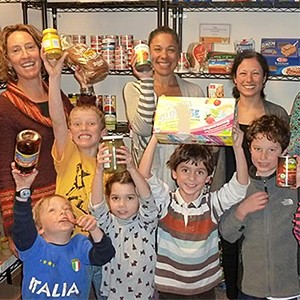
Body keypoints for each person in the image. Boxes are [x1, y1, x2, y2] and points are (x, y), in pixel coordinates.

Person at [0, 24, 93, 255]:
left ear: (42, 52)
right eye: (16, 50)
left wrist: (85, 88)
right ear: (8, 61)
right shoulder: (5, 107)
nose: (25, 56)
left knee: (72, 269)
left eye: (30, 47)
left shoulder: (56, 94)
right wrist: (14, 228)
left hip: (67, 198)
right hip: (36, 208)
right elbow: (3, 169)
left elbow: (76, 133)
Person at [138, 123, 249, 299]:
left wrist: (238, 148)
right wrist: (155, 137)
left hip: (204, 287)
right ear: (174, 173)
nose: (191, 177)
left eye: (199, 172)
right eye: (185, 170)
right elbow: (143, 175)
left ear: (208, 178)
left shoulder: (212, 204)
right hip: (170, 288)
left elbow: (241, 185)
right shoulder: (166, 201)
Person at [222, 50, 290, 299]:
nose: (249, 79)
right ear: (234, 78)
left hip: (267, 187)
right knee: (230, 246)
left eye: (255, 73)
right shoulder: (222, 111)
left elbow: (287, 156)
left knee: (264, 242)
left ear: (264, 78)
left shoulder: (278, 113)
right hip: (229, 183)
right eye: (242, 73)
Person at [41, 47, 106, 298]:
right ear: (70, 132)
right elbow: (57, 119)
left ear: (102, 132)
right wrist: (54, 78)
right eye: (77, 124)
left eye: (91, 124)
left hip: (98, 241)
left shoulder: (109, 161)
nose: (83, 128)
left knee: (105, 291)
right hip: (66, 243)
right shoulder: (66, 152)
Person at [219, 115, 300, 299]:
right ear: (250, 148)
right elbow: (227, 234)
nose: (263, 157)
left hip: (289, 287)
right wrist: (242, 210)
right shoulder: (241, 184)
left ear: (284, 150)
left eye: (272, 150)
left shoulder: (293, 181)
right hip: (251, 287)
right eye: (257, 149)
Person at [11, 163, 115, 300]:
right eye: (52, 210)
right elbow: (22, 224)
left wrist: (94, 229)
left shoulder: (80, 244)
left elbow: (105, 255)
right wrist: (23, 190)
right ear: (39, 228)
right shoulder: (33, 247)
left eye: (67, 209)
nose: (62, 212)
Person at [123, 25, 205, 190]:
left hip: (187, 183)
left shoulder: (194, 91)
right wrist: (146, 79)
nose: (164, 56)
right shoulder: (134, 89)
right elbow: (143, 128)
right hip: (147, 181)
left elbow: (201, 142)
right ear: (148, 53)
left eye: (171, 50)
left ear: (178, 54)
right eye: (157, 49)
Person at [89, 143, 158, 299]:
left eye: (129, 198)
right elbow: (97, 206)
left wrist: (132, 168)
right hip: (112, 294)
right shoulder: (107, 223)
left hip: (144, 294)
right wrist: (99, 170)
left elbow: (148, 199)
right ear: (108, 199)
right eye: (115, 198)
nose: (122, 205)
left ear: (138, 198)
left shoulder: (146, 222)